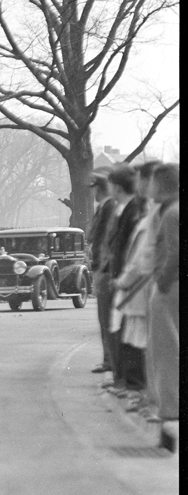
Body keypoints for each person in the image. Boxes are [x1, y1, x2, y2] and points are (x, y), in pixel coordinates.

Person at [110, 164, 155, 406]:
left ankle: (140, 390)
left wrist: (123, 280)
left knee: (139, 338)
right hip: (135, 284)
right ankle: (137, 388)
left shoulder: (146, 213)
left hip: (139, 285)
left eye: (141, 181)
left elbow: (143, 256)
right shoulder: (145, 212)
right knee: (132, 335)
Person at [103, 164, 145, 394]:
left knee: (127, 330)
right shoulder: (125, 209)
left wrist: (121, 277)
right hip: (122, 278)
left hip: (128, 281)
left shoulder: (132, 210)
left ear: (116, 187)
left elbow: (130, 249)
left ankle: (131, 383)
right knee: (121, 328)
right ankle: (125, 380)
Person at [148, 163, 179, 431]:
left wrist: (162, 282)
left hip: (170, 289)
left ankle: (170, 408)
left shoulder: (171, 213)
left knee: (166, 349)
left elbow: (174, 253)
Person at [87, 167, 116, 374]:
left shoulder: (108, 208)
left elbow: (102, 239)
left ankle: (110, 361)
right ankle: (108, 360)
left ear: (100, 188)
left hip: (103, 268)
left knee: (106, 317)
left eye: (95, 188)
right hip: (100, 266)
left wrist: (100, 267)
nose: (93, 192)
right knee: (103, 317)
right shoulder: (103, 207)